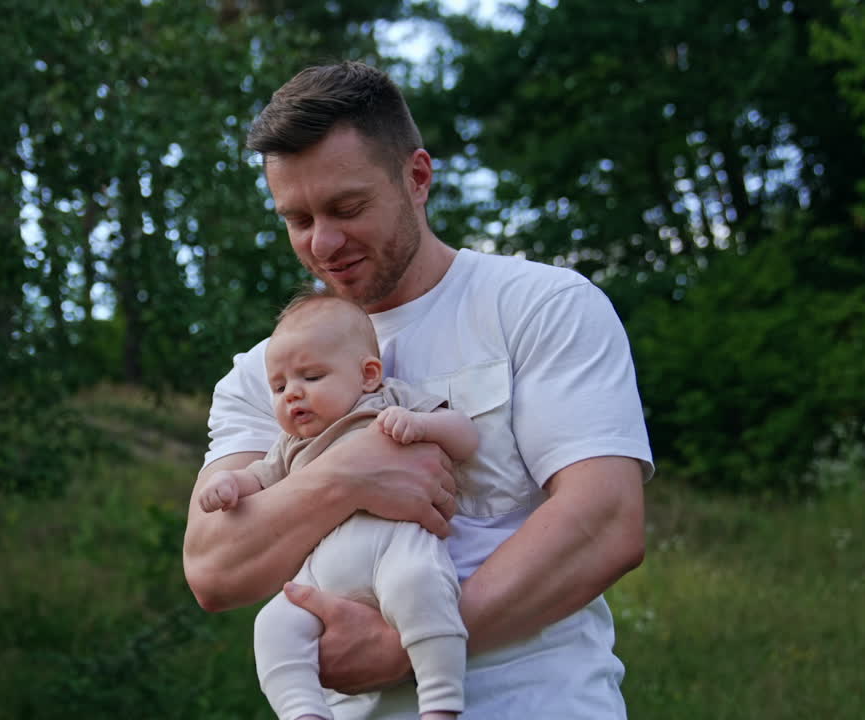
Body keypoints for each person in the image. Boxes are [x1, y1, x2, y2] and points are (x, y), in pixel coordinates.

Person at [182, 60, 654, 720]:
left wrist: (409, 648)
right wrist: (347, 475)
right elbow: (215, 567)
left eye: (347, 208)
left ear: (418, 178)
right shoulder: (265, 373)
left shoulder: (540, 305)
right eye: (297, 219)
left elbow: (604, 523)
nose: (324, 242)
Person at [197, 291, 479, 720]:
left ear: (368, 375)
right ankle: (303, 711)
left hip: (394, 548)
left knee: (421, 587)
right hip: (323, 570)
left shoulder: (387, 402)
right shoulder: (291, 445)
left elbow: (465, 435)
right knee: (273, 625)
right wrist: (229, 483)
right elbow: (259, 478)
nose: (292, 394)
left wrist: (422, 423)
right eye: (279, 386)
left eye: (310, 377)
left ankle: (440, 703)